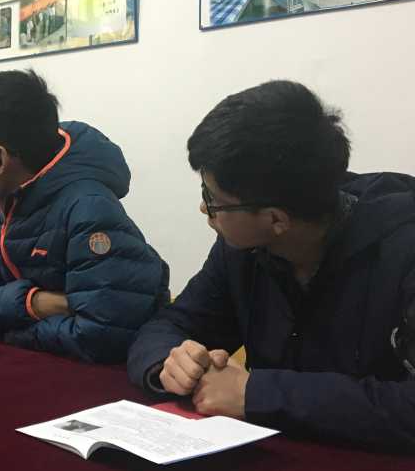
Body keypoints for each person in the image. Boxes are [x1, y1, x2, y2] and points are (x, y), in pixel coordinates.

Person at [127, 80, 415, 451]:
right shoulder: (241, 248)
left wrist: (256, 394)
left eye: (213, 200)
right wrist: (169, 362)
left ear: (275, 219)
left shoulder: (402, 247)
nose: (204, 209)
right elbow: (171, 324)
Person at [0, 70, 168, 363]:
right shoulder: (3, 200)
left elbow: (99, 336)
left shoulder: (88, 209)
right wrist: (35, 303)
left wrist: (12, 332)